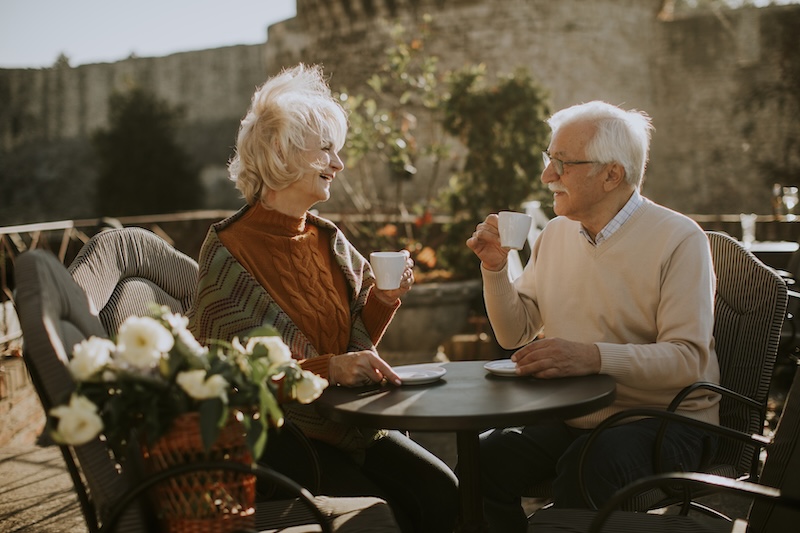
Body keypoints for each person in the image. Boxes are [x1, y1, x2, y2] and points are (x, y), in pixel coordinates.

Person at [188, 63, 458, 533]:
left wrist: (384, 299)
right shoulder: (228, 249)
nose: (339, 164)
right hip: (283, 440)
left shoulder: (327, 237)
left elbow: (354, 336)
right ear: (282, 151)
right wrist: (327, 369)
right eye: (327, 150)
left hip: (351, 423)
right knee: (386, 514)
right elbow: (226, 372)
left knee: (444, 492)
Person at [466, 101, 721, 532]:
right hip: (577, 413)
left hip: (668, 421)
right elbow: (515, 333)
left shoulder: (680, 239)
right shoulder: (555, 234)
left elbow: (687, 359)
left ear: (611, 174)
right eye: (549, 161)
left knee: (586, 469)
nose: (548, 176)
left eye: (562, 164)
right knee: (482, 460)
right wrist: (495, 270)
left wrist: (593, 357)